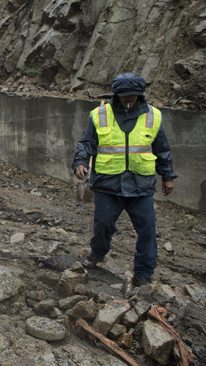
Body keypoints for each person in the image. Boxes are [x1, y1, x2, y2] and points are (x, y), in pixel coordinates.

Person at [73, 72, 177, 287]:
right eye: (125, 96)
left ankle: (143, 275)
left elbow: (162, 149)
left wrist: (167, 176)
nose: (130, 99)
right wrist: (80, 162)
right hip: (108, 185)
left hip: (141, 186)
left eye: (134, 95)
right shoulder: (100, 115)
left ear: (140, 95)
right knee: (103, 225)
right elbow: (86, 143)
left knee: (147, 231)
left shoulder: (153, 116)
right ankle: (98, 253)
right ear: (116, 95)